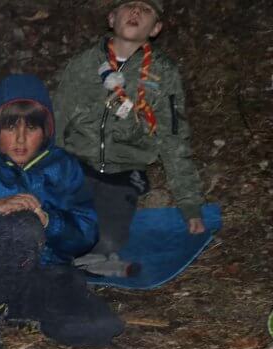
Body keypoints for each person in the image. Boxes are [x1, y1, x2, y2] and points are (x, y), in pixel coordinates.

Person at [0, 74, 125, 349]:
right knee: (23, 226)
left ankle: (23, 311)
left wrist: (50, 222)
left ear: (45, 131)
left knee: (101, 327)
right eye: (11, 127)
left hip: (46, 275)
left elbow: (85, 234)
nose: (21, 139)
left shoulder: (64, 167)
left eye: (31, 127)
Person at [55, 0, 205, 277]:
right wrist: (50, 171)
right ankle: (78, 261)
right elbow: (58, 118)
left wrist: (189, 204)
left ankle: (89, 261)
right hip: (78, 164)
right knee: (62, 228)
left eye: (146, 10)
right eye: (129, 6)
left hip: (125, 170)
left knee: (109, 239)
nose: (136, 12)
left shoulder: (164, 73)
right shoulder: (84, 63)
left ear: (156, 28)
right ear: (112, 18)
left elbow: (173, 138)